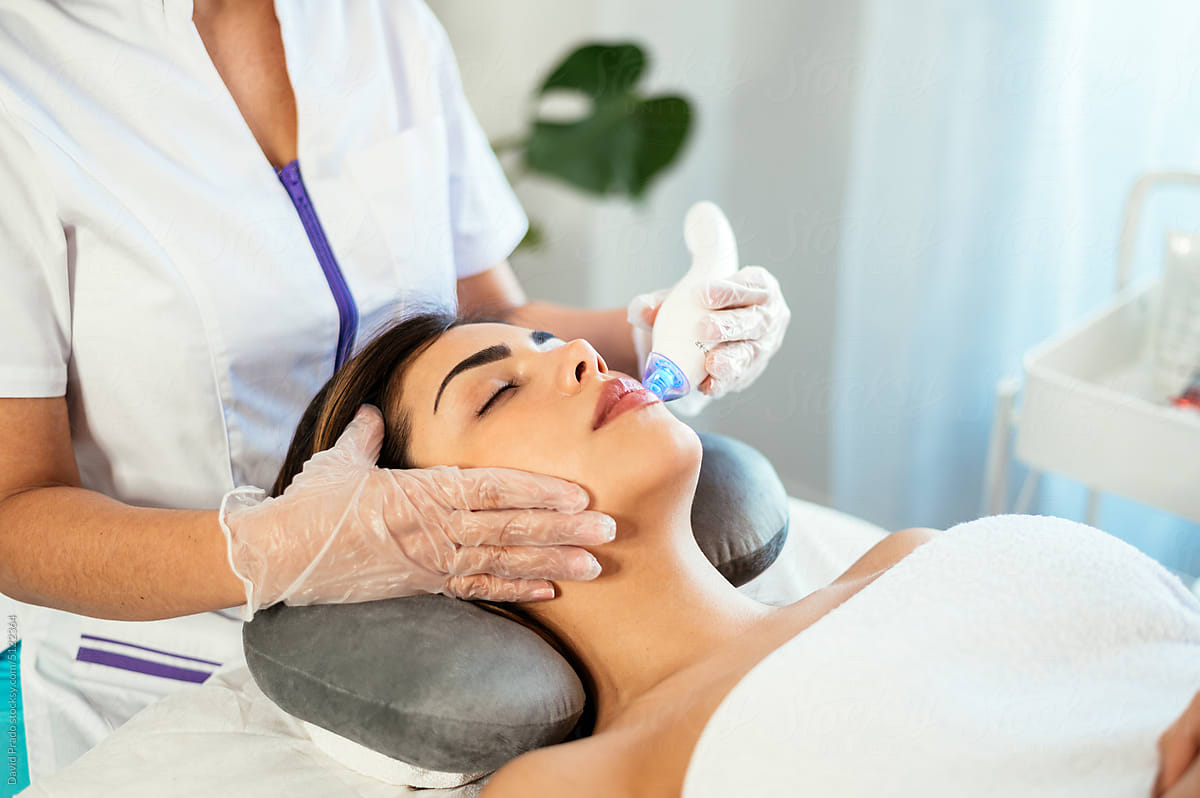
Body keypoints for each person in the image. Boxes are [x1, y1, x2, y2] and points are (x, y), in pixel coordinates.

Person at [0, 0, 792, 786]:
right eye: (494, 397)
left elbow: (492, 319)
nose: (582, 358)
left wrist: (655, 334)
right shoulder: (20, 76)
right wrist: (278, 547)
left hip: (451, 637)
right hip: (132, 670)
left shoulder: (383, 22)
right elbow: (12, 511)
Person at [265, 309, 1200, 798]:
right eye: (499, 392)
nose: (583, 355)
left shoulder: (905, 561)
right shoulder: (579, 783)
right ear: (428, 533)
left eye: (549, 342)